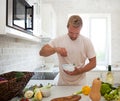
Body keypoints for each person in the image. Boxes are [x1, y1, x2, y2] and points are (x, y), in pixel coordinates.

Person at [39, 15, 96, 86]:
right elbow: (42, 52)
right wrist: (56, 49)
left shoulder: (86, 41)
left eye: (77, 33)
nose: (74, 36)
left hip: (80, 84)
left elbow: (93, 62)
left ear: (81, 29)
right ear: (67, 27)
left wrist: (80, 71)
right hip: (63, 84)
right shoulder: (59, 40)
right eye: (71, 32)